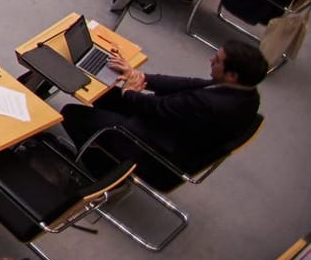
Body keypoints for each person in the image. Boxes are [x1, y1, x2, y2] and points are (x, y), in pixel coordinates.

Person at [59, 41, 265, 181]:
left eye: (217, 61)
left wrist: (129, 91)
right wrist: (139, 76)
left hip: (155, 148)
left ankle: (102, 170)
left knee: (72, 113)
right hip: (172, 128)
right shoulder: (246, 93)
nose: (211, 61)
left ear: (232, 75)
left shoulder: (209, 104)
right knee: (104, 93)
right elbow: (190, 84)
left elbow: (155, 108)